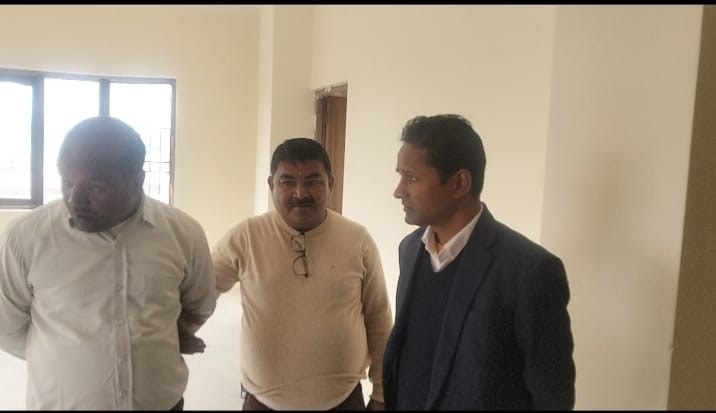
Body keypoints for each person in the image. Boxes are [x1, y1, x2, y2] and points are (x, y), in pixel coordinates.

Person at [0, 116, 217, 410]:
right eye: (67, 182)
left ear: (137, 181)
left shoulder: (184, 233)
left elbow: (199, 304)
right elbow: (8, 327)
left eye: (95, 187)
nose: (75, 200)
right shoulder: (26, 237)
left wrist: (164, 333)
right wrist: (67, 358)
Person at [383, 114, 576, 410]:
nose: (399, 191)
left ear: (459, 183)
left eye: (411, 178)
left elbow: (551, 394)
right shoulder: (410, 250)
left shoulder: (529, 270)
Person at [212, 137, 393, 410]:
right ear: (271, 184)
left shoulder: (357, 240)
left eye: (313, 181)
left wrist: (381, 393)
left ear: (331, 183)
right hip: (263, 403)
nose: (300, 193)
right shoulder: (246, 237)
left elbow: (379, 317)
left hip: (343, 402)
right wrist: (182, 327)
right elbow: (201, 290)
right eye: (287, 182)